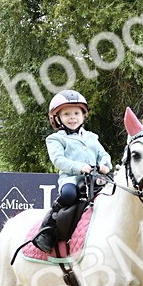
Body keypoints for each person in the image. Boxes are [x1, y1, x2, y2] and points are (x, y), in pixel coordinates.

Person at [33, 90, 111, 253]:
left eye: (76, 113)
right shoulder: (55, 139)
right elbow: (58, 160)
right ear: (57, 118)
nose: (73, 117)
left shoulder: (92, 138)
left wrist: (105, 165)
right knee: (69, 195)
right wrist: (79, 167)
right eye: (67, 114)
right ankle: (48, 229)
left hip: (95, 178)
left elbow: (104, 155)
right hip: (71, 179)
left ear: (83, 116)